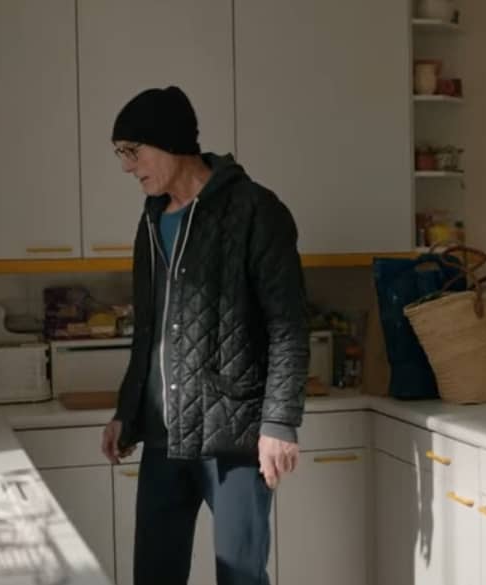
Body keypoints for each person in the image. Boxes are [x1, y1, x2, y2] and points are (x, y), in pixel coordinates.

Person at [100, 86, 309, 585]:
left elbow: (288, 324)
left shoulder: (255, 210)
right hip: (163, 435)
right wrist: (127, 411)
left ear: (168, 141)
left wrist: (279, 422)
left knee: (240, 575)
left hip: (233, 433)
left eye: (132, 151)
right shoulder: (152, 219)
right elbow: (149, 328)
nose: (127, 167)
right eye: (120, 155)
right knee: (154, 575)